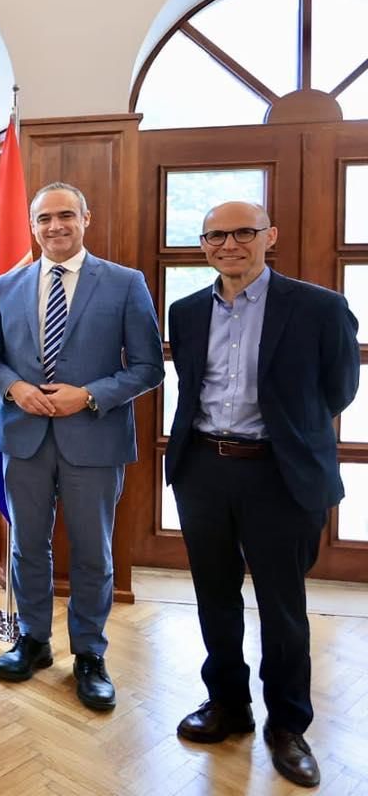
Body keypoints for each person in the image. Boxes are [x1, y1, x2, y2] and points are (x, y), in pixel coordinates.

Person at [165, 201, 357, 788]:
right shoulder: (186, 311)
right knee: (214, 597)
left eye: (243, 232)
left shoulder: (319, 308)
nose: (230, 244)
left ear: (268, 235)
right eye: (216, 235)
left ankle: (288, 726)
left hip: (278, 474)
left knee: (282, 606)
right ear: (203, 244)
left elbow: (339, 390)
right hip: (203, 468)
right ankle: (228, 704)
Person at [0, 181, 163, 710]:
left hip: (95, 438)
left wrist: (88, 396)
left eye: (66, 216)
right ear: (32, 226)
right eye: (44, 219)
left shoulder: (125, 283)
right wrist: (13, 387)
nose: (55, 226)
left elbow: (149, 367)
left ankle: (89, 653)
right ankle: (34, 640)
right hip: (23, 436)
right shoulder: (6, 285)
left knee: (92, 553)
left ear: (87, 218)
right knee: (26, 546)